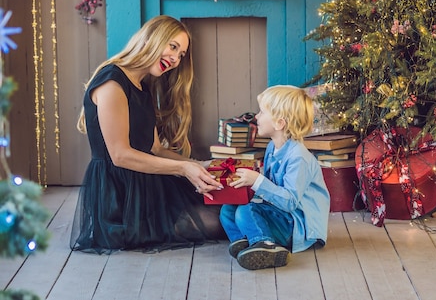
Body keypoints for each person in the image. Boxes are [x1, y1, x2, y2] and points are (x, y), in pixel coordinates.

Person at [70, 15, 225, 254]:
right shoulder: (112, 82)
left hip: (146, 182)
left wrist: (200, 164)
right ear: (152, 38)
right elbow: (120, 156)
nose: (175, 59)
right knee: (215, 222)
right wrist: (183, 170)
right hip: (120, 195)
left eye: (181, 55)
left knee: (222, 211)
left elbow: (156, 148)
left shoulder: (143, 86)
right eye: (173, 47)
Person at [219, 85, 331, 270]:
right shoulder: (272, 147)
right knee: (228, 209)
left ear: (279, 123)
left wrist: (257, 181)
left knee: (246, 212)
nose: (256, 116)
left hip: (296, 226)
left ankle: (265, 244)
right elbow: (270, 189)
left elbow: (289, 202)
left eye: (262, 112)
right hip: (280, 214)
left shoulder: (298, 157)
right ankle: (245, 241)